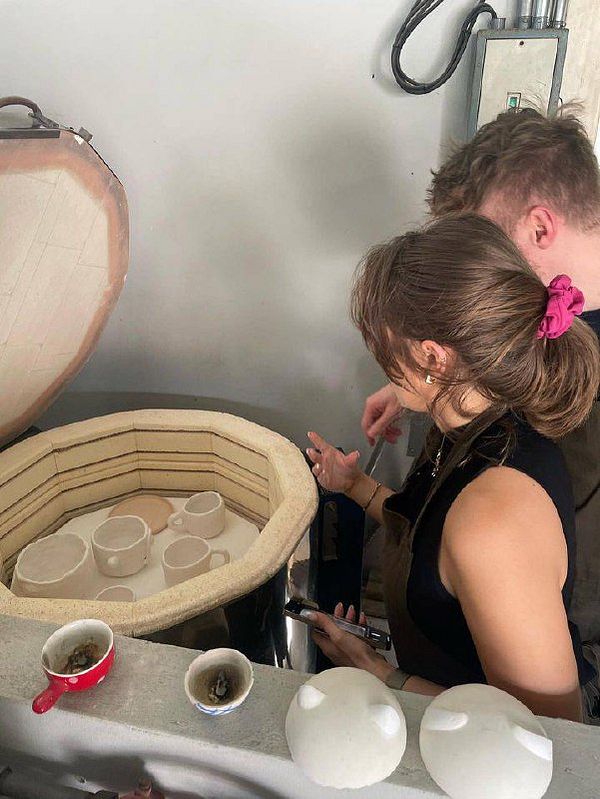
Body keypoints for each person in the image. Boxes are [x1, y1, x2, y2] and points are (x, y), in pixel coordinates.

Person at [306, 213, 600, 722]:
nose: (379, 359)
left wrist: (376, 672)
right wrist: (353, 485)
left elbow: (550, 729)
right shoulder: (470, 417)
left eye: (382, 346)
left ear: (433, 358)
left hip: (481, 747)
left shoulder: (494, 524)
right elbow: (430, 534)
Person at [363, 108, 600, 654]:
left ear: (540, 228)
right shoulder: (533, 322)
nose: (475, 271)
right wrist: (416, 377)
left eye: (485, 243)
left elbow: (545, 689)